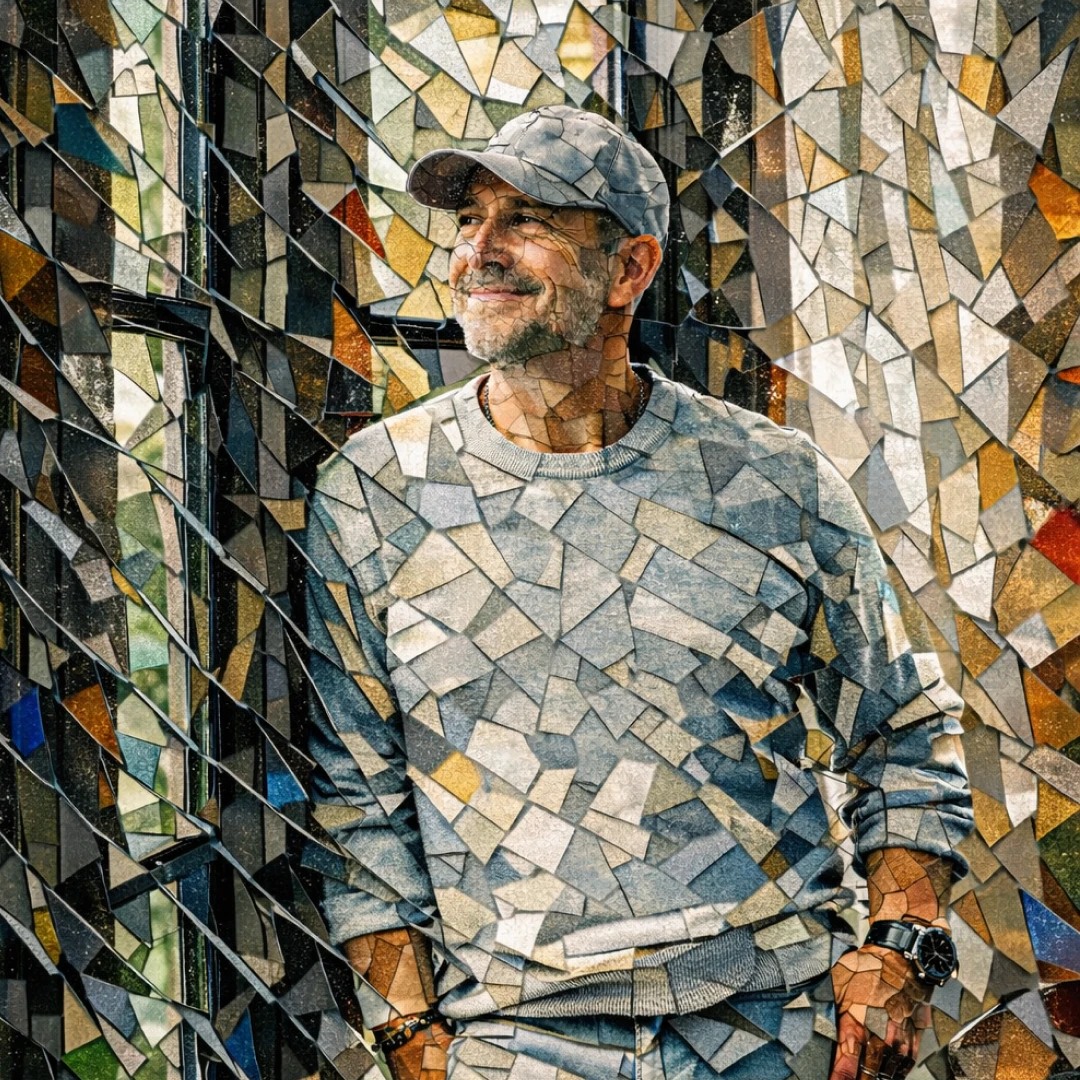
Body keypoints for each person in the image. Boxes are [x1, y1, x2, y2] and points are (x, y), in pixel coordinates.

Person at [303, 105, 973, 1080]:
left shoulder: (773, 482)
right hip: (515, 1048)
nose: (474, 254)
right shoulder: (374, 493)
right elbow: (358, 797)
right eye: (467, 220)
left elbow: (904, 727)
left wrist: (901, 948)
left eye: (523, 219)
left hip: (778, 1031)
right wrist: (413, 1039)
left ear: (629, 269)